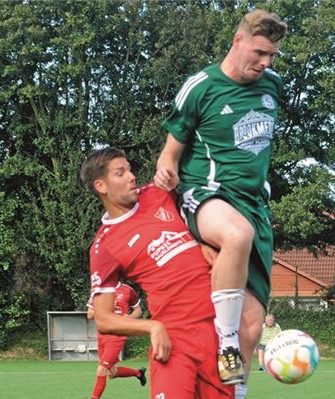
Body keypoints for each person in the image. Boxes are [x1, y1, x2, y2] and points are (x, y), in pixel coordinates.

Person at [154, 8, 288, 393]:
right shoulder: (201, 87)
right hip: (207, 193)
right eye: (259, 53)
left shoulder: (271, 86)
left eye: (272, 56)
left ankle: (237, 386)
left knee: (252, 326)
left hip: (255, 206)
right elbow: (169, 154)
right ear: (238, 41)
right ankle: (223, 340)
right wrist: (167, 171)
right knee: (236, 234)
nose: (264, 63)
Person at [80, 147, 233, 399]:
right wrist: (151, 327)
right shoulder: (104, 246)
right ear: (101, 185)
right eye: (121, 173)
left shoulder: (158, 193)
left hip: (222, 333)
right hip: (174, 339)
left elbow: (201, 206)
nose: (131, 176)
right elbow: (104, 319)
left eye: (129, 169)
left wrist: (205, 238)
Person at [86, 281, 146, 399]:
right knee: (111, 373)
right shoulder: (98, 290)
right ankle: (138, 373)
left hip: (118, 334)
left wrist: (128, 318)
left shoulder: (127, 290)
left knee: (101, 370)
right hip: (102, 334)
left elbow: (138, 310)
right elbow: (90, 314)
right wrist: (106, 308)